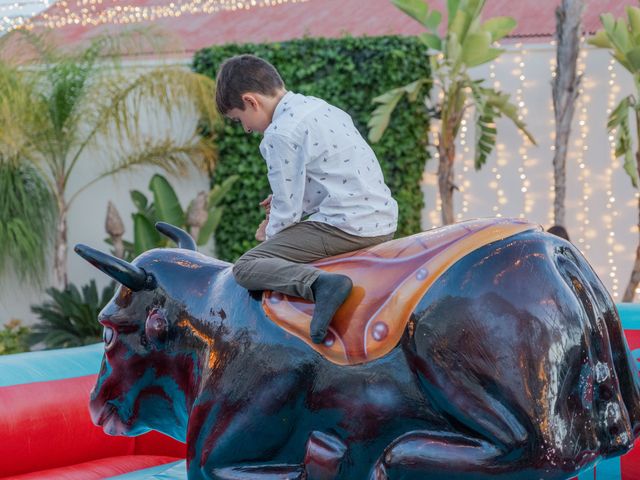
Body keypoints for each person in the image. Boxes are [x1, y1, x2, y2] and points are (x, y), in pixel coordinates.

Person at [215, 54, 398, 344]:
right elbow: (326, 183)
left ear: (251, 101)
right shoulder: (320, 108)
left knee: (247, 266)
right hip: (380, 218)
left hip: (348, 226)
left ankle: (322, 285)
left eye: (240, 120)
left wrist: (269, 239)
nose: (246, 129)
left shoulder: (280, 134)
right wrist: (282, 204)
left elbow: (287, 216)